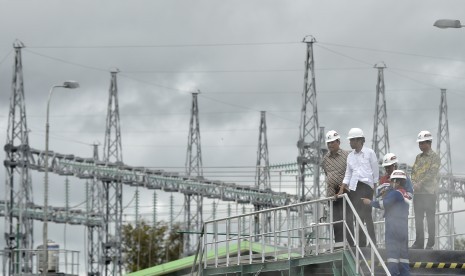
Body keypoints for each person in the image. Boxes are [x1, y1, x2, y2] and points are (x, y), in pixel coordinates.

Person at [362, 170, 411, 276]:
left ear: (397, 182)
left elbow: (384, 204)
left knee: (392, 257)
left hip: (393, 228)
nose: (390, 183)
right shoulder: (405, 193)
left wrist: (369, 202)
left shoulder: (395, 193)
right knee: (403, 260)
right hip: (403, 229)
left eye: (392, 181)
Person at [338, 127, 378, 246]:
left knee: (367, 215)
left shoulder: (370, 153)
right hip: (354, 187)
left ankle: (372, 243)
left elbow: (375, 171)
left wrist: (374, 188)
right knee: (357, 216)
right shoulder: (350, 156)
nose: (350, 143)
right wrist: (342, 188)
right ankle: (361, 243)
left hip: (366, 186)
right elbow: (348, 174)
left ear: (359, 140)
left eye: (352, 140)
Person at [410, 130, 440, 250]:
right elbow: (413, 172)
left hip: (429, 193)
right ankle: (419, 243)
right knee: (418, 219)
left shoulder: (435, 157)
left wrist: (420, 184)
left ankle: (430, 243)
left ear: (429, 143)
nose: (420, 145)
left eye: (422, 143)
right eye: (419, 143)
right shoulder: (418, 157)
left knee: (430, 218)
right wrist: (414, 183)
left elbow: (432, 173)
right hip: (418, 194)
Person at [322, 130, 350, 246]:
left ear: (338, 142)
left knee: (346, 218)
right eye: (328, 143)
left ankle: (349, 243)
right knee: (336, 221)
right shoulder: (325, 159)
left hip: (344, 193)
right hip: (332, 194)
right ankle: (338, 245)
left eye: (332, 142)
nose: (330, 145)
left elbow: (351, 173)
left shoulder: (347, 155)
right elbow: (326, 173)